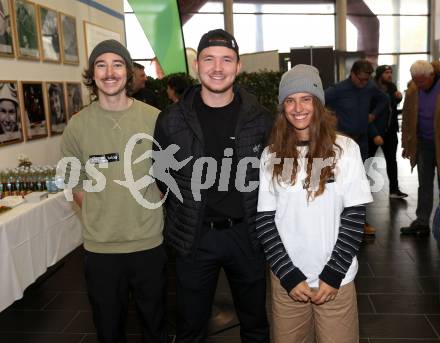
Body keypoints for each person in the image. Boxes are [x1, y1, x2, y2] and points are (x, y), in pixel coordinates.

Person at [154, 29, 272, 343]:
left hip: (246, 236)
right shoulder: (171, 120)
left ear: (239, 65)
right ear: (197, 65)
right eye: (209, 59)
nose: (217, 67)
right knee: (191, 328)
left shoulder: (260, 119)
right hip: (195, 238)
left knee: (256, 324)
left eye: (226, 59)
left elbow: (273, 176)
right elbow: (160, 175)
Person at [60, 39, 167, 342]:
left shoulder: (154, 118)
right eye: (101, 65)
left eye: (117, 64)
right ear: (92, 74)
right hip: (101, 250)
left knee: (155, 327)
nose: (109, 72)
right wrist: (98, 210)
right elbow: (72, 180)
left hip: (148, 245)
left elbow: (169, 173)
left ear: (128, 72)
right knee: (108, 330)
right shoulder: (78, 126)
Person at [256, 64, 372, 342]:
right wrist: (288, 275)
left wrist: (332, 275)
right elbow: (265, 220)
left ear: (318, 103)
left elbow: (354, 216)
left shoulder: (345, 150)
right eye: (290, 100)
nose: (298, 107)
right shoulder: (271, 155)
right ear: (282, 107)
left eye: (306, 98)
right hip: (288, 283)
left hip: (336, 280)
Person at [325, 59, 388, 236]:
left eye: (366, 80)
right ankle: (338, 221)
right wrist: (328, 124)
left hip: (362, 143)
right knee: (339, 182)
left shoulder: (370, 88)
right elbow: (317, 101)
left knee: (361, 184)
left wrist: (373, 115)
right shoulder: (338, 90)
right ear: (352, 74)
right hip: (341, 145)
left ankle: (361, 222)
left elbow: (383, 100)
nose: (363, 83)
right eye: (360, 79)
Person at [401, 60, 440, 235]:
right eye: (415, 80)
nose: (417, 85)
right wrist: (406, 144)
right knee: (424, 185)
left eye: (421, 81)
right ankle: (422, 222)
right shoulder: (413, 89)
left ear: (431, 76)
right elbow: (408, 118)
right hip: (423, 143)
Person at [369, 65, 407, 199]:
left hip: (390, 130)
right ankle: (365, 189)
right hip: (374, 131)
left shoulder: (391, 87)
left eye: (390, 72)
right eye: (386, 73)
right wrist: (373, 133)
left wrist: (399, 98)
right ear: (380, 75)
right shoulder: (371, 89)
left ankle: (394, 190)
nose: (390, 75)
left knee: (392, 161)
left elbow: (392, 105)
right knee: (368, 161)